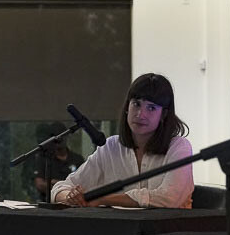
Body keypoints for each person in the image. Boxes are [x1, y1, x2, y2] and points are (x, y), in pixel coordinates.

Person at [51, 73, 194, 208]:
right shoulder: (110, 147)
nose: (140, 114)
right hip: (121, 232)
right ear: (127, 107)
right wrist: (72, 197)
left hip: (170, 231)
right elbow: (60, 188)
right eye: (136, 104)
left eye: (151, 108)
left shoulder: (179, 147)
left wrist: (102, 199)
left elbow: (170, 198)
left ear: (163, 114)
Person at [32, 122, 85, 201]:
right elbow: (39, 184)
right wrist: (66, 185)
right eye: (56, 137)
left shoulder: (77, 159)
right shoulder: (44, 158)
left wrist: (54, 182)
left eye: (62, 136)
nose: (59, 140)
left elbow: (84, 185)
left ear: (67, 137)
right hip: (48, 205)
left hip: (73, 205)